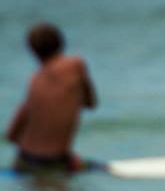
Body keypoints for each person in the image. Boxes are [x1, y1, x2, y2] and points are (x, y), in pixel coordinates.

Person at [5, 23, 99, 174]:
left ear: (33, 51)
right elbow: (91, 103)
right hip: (56, 162)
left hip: (24, 159)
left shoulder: (34, 80)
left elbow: (11, 135)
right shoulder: (75, 65)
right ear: (61, 42)